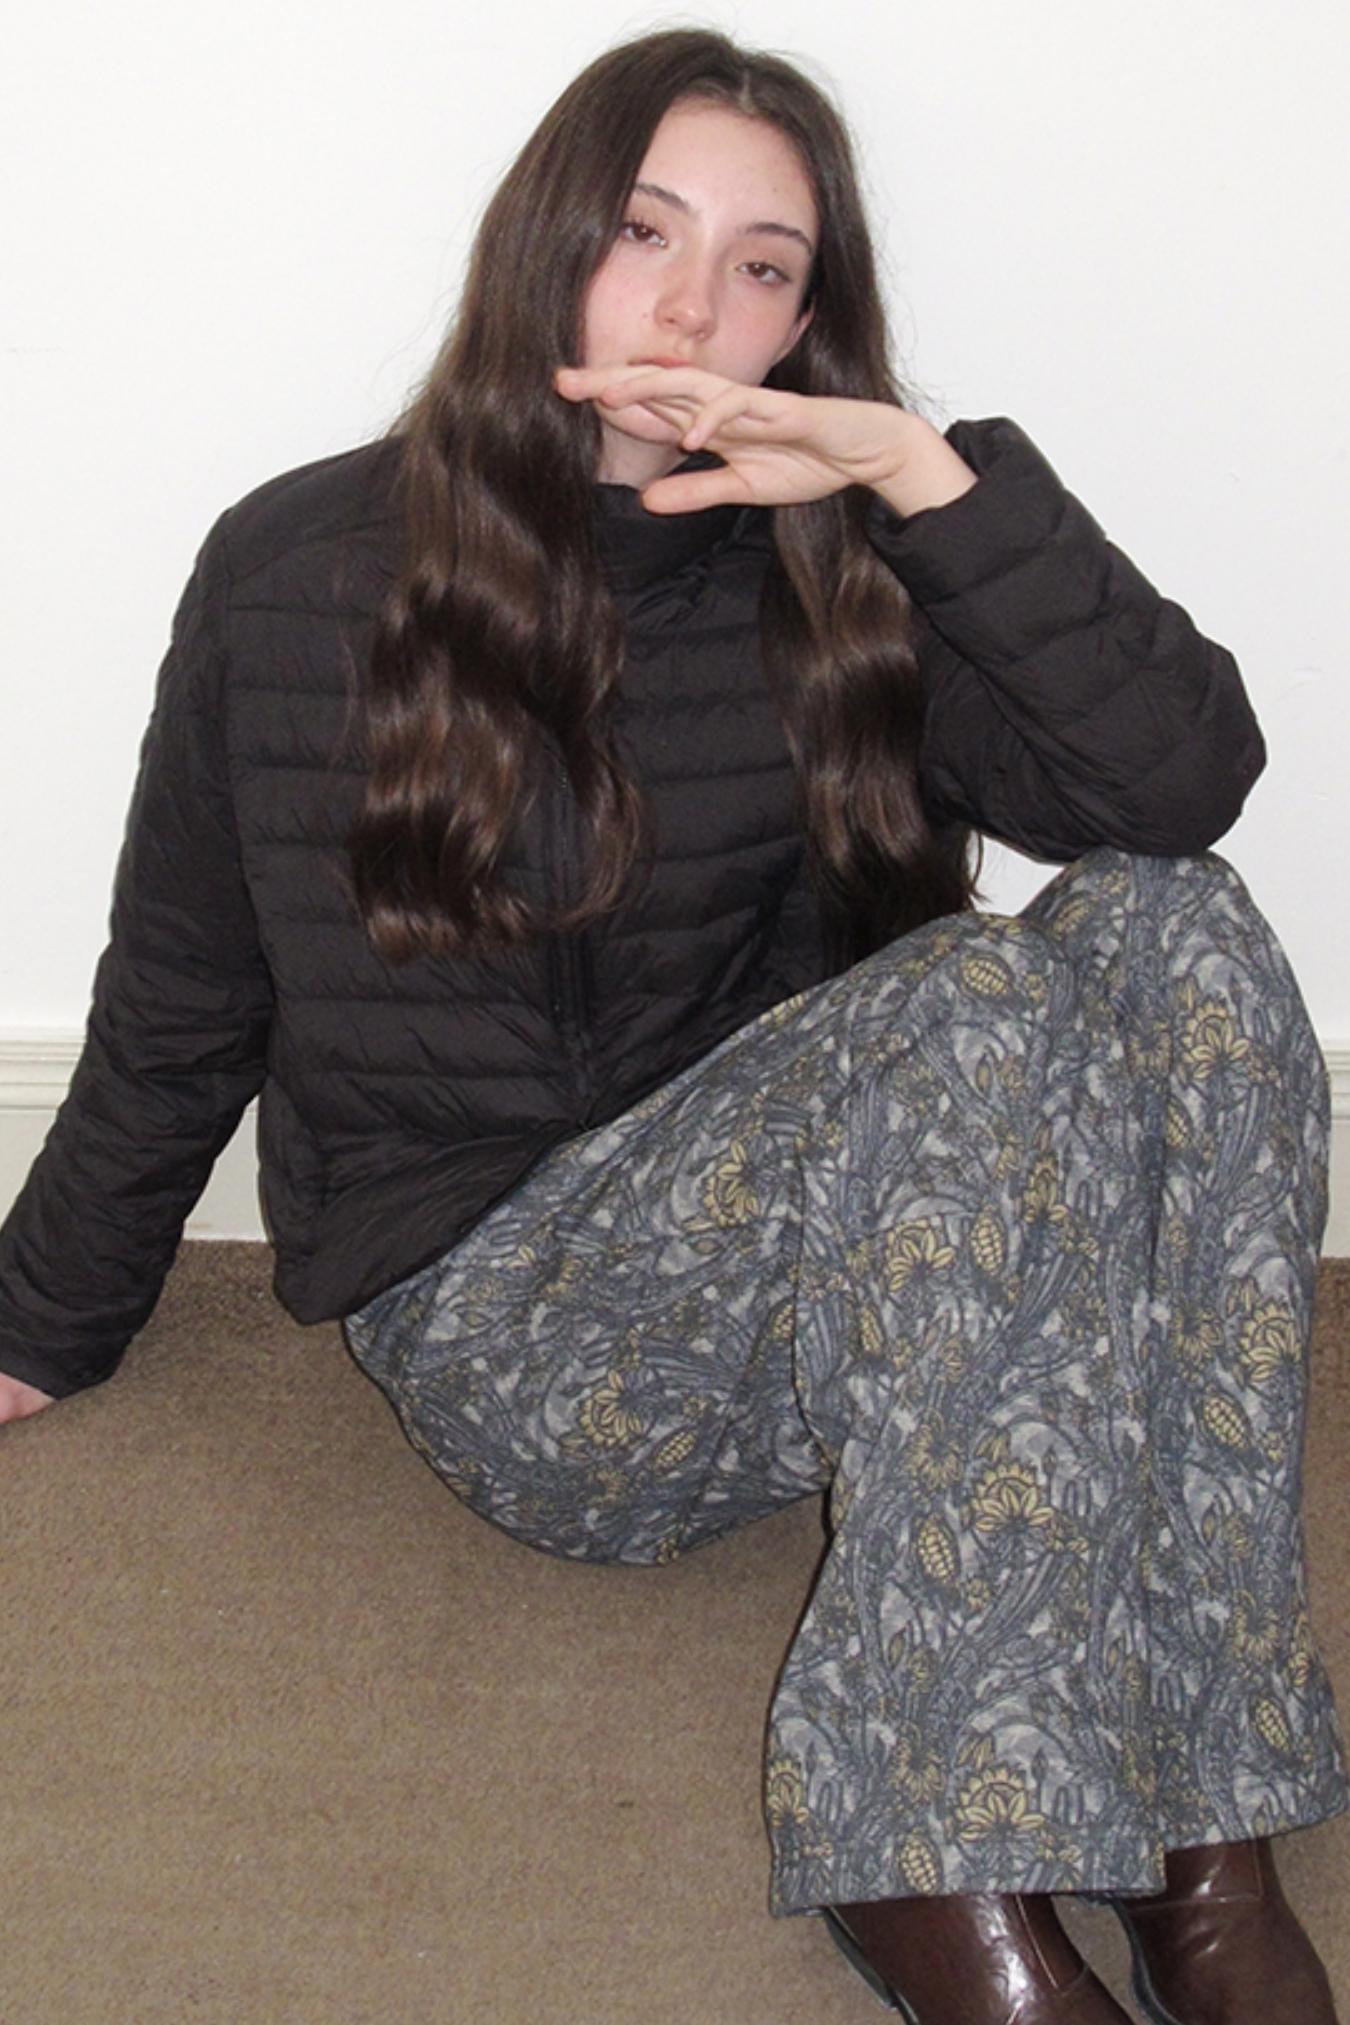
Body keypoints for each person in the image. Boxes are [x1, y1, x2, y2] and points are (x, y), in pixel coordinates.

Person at [1, 24, 1345, 2022]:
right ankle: (934, 1845)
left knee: (1182, 923)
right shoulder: (302, 572)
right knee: (970, 989)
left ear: (808, 320)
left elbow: (1174, 785)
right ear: (548, 237)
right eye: (644, 231)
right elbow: (183, 983)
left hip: (858, 1288)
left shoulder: (849, 558)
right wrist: (39, 1318)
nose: (692, 304)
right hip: (524, 1335)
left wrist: (916, 476)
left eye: (762, 263)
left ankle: (1196, 1819)